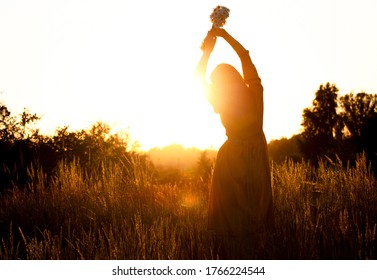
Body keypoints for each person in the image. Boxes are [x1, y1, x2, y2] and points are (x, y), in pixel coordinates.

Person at [195, 28, 274, 259]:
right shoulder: (254, 91)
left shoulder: (220, 99)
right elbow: (244, 56)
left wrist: (207, 52)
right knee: (254, 218)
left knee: (232, 220)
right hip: (255, 154)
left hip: (231, 158)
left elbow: (198, 79)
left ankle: (235, 260)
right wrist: (225, 35)